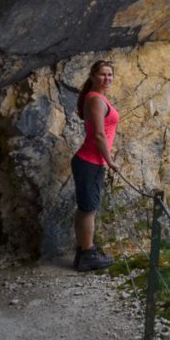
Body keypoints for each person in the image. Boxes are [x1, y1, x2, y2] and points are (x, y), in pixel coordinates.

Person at [71, 60, 120, 271]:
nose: (107, 78)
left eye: (110, 75)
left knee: (85, 209)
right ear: (92, 76)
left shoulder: (96, 98)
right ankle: (88, 254)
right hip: (90, 161)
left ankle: (83, 252)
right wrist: (110, 161)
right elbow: (99, 135)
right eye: (102, 74)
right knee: (88, 209)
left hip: (90, 161)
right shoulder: (96, 100)